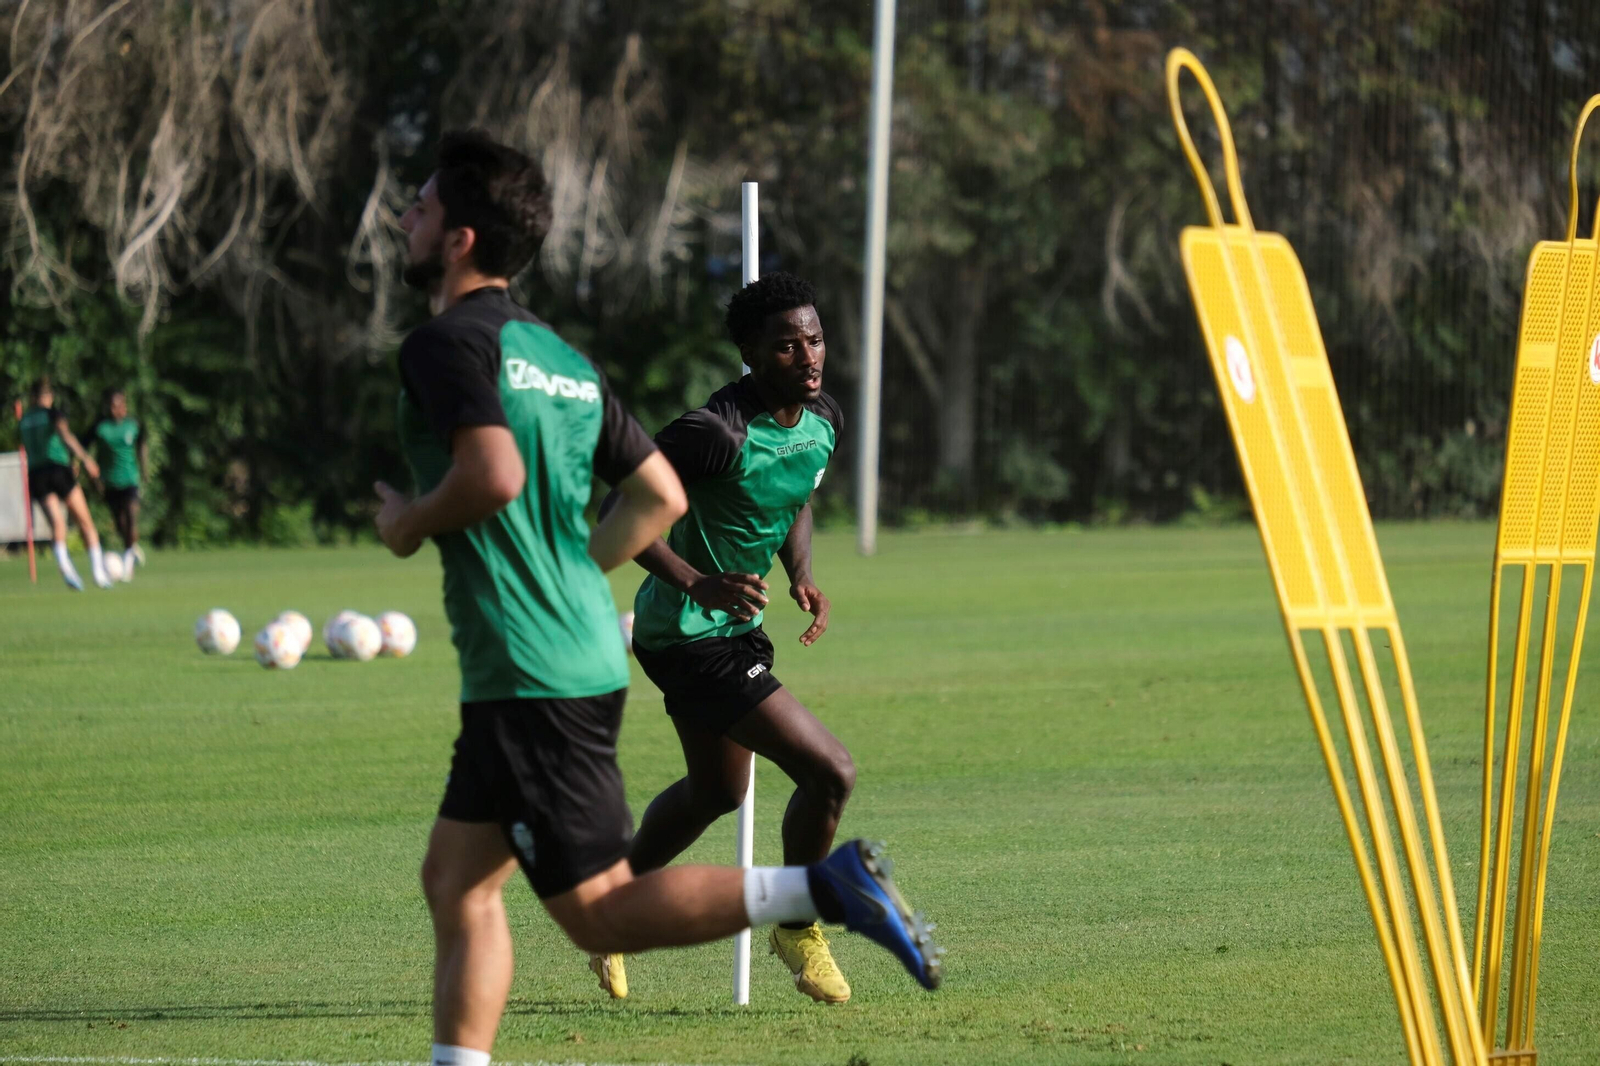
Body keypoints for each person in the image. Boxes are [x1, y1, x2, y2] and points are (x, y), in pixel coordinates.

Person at [372, 130, 940, 1066]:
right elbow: (661, 499)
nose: (406, 217)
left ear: (462, 236)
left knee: (598, 910)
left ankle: (821, 896)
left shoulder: (444, 345)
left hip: (536, 658)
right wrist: (595, 575)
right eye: (787, 344)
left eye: (422, 205)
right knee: (461, 883)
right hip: (595, 643)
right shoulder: (558, 355)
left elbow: (495, 473)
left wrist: (408, 521)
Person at [598, 271, 858, 1004]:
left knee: (718, 790)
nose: (808, 357)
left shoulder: (823, 417)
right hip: (684, 632)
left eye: (814, 340)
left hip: (733, 629)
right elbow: (620, 514)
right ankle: (796, 924)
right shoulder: (714, 432)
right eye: (785, 346)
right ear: (750, 352)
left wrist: (801, 570)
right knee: (829, 770)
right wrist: (695, 581)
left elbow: (797, 492)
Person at [19, 378, 112, 590]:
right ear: (48, 396)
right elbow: (65, 435)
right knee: (85, 522)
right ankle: (99, 575)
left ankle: (66, 568)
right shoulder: (52, 414)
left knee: (57, 525)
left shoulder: (24, 420)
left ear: (31, 398)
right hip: (58, 470)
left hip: (36, 474)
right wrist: (85, 459)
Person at [92, 389, 148, 578]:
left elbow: (142, 444)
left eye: (120, 405)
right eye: (113, 406)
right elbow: (86, 448)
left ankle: (127, 566)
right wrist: (95, 477)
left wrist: (144, 470)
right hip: (110, 482)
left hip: (130, 480)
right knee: (120, 525)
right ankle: (131, 548)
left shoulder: (134, 425)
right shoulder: (101, 427)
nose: (117, 409)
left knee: (132, 518)